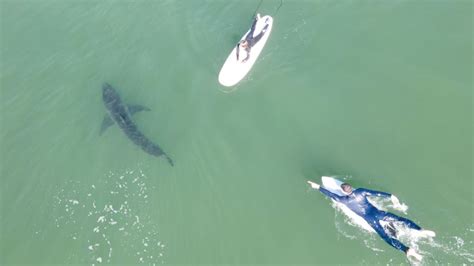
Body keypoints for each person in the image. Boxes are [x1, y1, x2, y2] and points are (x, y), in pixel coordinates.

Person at [307, 180, 435, 261]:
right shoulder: (361, 191)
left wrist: (317, 186)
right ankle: (420, 230)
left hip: (370, 220)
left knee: (386, 238)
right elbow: (376, 193)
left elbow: (331, 195)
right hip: (379, 213)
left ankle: (407, 250)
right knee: (399, 219)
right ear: (351, 188)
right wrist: (390, 196)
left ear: (343, 191)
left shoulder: (344, 200)